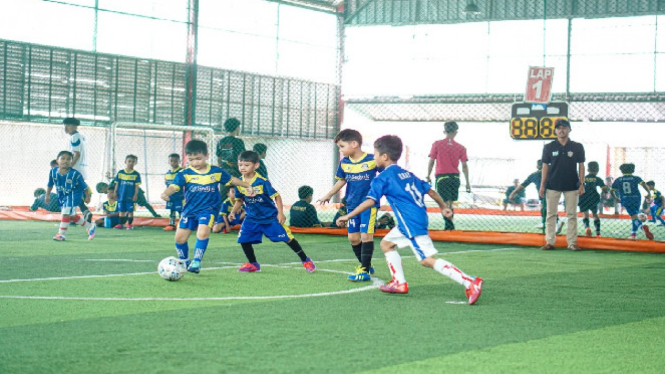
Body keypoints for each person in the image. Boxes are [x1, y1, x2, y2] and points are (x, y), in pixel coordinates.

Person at [337, 135, 483, 304]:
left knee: (426, 260)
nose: (374, 157)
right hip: (415, 219)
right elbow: (431, 191)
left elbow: (370, 201)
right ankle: (399, 283)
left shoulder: (382, 178)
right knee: (386, 244)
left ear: (384, 156)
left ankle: (470, 282)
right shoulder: (407, 173)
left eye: (375, 154)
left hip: (410, 223)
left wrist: (348, 215)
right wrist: (443, 207)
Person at [161, 140, 254, 274]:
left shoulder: (216, 172)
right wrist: (165, 193)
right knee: (179, 239)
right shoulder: (185, 173)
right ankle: (184, 261)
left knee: (203, 232)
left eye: (198, 159)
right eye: (191, 159)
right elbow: (173, 186)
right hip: (189, 210)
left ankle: (196, 262)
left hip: (209, 209)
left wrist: (247, 185)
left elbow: (232, 180)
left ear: (207, 155)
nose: (195, 163)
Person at [229, 151, 316, 273]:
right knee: (244, 239)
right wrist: (233, 211)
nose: (242, 168)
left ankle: (306, 260)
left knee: (287, 238)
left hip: (269, 218)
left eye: (246, 165)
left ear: (256, 166)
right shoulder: (239, 182)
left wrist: (280, 213)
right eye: (240, 165)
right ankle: (253, 264)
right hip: (251, 218)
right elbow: (239, 200)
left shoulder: (262, 181)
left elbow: (277, 196)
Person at [318, 129, 380, 282]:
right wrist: (328, 195)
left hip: (368, 205)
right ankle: (366, 264)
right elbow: (342, 180)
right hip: (352, 205)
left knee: (366, 235)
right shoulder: (344, 163)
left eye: (342, 146)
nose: (340, 150)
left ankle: (364, 270)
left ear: (354, 144)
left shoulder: (373, 160)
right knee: (353, 238)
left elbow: (386, 174)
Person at [539, 119, 586, 251]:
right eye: (558, 128)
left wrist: (581, 183)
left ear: (569, 129)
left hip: (572, 185)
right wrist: (542, 185)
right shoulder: (549, 147)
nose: (561, 130)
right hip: (552, 185)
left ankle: (572, 243)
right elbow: (545, 167)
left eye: (564, 128)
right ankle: (550, 242)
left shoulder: (577, 147)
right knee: (551, 214)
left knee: (572, 215)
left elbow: (581, 166)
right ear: (555, 131)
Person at [427, 121, 471, 231]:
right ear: (456, 132)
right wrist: (468, 183)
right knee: (450, 202)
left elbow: (431, 161)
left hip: (442, 177)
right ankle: (450, 223)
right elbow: (464, 165)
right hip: (455, 178)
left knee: (444, 203)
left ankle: (449, 225)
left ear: (444, 131)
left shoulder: (437, 144)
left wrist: (428, 175)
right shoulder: (461, 147)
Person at [46, 150, 96, 241]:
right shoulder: (53, 172)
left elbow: (84, 186)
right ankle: (90, 226)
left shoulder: (75, 174)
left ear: (71, 162)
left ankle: (61, 234)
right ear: (57, 160)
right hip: (62, 196)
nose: (65, 161)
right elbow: (50, 184)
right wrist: (47, 195)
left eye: (68, 159)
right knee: (72, 216)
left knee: (65, 214)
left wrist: (87, 196)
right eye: (63, 158)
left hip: (74, 195)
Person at [611, 164, 653, 240]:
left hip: (626, 199)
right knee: (635, 216)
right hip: (637, 198)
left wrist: (616, 198)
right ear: (633, 170)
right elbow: (643, 184)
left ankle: (642, 228)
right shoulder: (636, 178)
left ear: (621, 171)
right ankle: (633, 234)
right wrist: (649, 193)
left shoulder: (618, 179)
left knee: (634, 217)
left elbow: (611, 190)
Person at [509, 160, 553, 231]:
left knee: (545, 207)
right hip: (554, 192)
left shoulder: (534, 175)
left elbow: (523, 185)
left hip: (543, 193)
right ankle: (550, 222)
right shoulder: (553, 172)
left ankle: (548, 222)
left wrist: (513, 193)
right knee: (548, 207)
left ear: (537, 166)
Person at [63, 117, 92, 223]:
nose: (66, 128)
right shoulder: (81, 137)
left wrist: (69, 166)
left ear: (75, 126)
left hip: (75, 169)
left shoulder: (74, 137)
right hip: (81, 168)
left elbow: (76, 153)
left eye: (68, 125)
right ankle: (77, 214)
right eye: (65, 125)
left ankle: (80, 213)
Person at [578, 161, 608, 238]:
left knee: (585, 213)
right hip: (593, 197)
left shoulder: (583, 178)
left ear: (587, 170)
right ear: (597, 170)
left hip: (583, 197)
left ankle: (587, 227)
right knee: (595, 214)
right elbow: (604, 189)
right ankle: (598, 232)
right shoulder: (597, 179)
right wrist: (605, 193)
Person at [114, 155, 141, 230]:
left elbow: (136, 186)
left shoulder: (136, 174)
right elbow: (117, 183)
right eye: (129, 161)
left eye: (133, 162)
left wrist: (135, 195)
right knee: (121, 210)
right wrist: (115, 192)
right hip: (121, 195)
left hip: (130, 196)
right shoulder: (120, 173)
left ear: (135, 163)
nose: (131, 163)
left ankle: (129, 224)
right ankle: (121, 224)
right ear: (125, 162)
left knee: (130, 211)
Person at [164, 153, 184, 231]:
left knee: (180, 210)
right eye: (171, 161)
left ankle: (182, 224)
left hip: (179, 196)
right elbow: (166, 183)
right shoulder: (167, 173)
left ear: (179, 161)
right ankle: (171, 224)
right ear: (169, 162)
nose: (173, 163)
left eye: (175, 161)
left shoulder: (181, 171)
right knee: (172, 210)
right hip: (171, 196)